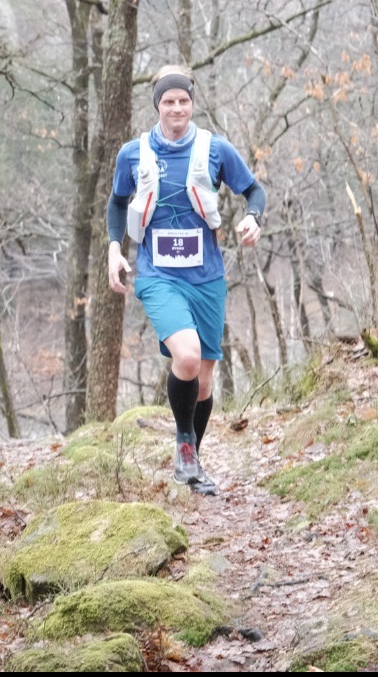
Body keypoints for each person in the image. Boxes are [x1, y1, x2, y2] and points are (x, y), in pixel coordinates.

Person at [107, 64, 265, 495]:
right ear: (157, 105)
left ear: (192, 104)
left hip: (207, 277)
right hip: (158, 275)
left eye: (183, 101)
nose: (177, 108)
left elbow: (255, 191)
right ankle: (183, 445)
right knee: (189, 358)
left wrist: (253, 218)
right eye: (168, 101)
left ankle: (191, 463)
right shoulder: (133, 154)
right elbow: (118, 203)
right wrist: (115, 248)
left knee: (205, 379)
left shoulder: (216, 150)